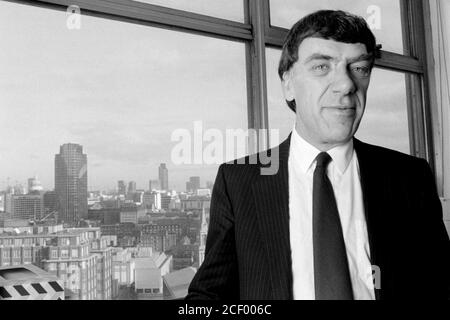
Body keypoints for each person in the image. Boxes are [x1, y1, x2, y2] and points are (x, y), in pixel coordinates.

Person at [186, 10, 450, 300]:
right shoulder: (238, 182)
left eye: (359, 68)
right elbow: (207, 297)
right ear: (288, 84)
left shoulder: (410, 177)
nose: (348, 84)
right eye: (322, 67)